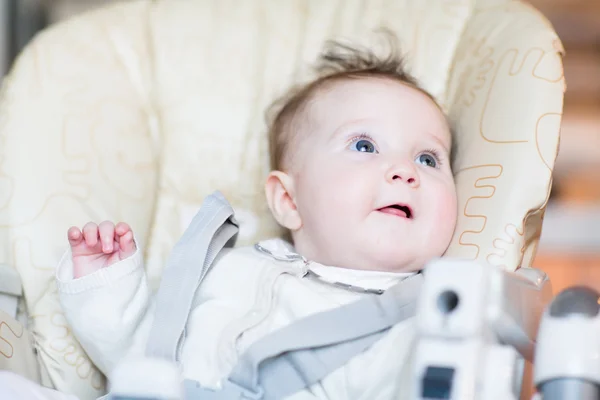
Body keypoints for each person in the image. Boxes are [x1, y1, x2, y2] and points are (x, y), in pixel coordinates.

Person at [18, 35, 458, 399]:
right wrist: (106, 287)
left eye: (429, 157)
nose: (405, 171)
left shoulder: (415, 323)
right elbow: (142, 355)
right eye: (364, 146)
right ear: (288, 200)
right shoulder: (230, 272)